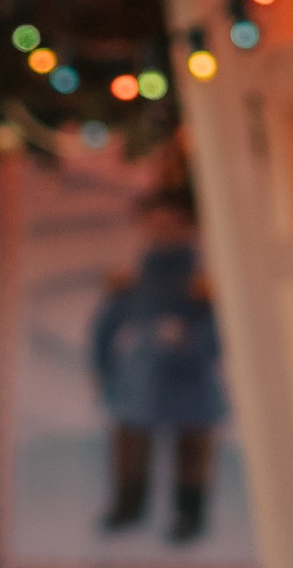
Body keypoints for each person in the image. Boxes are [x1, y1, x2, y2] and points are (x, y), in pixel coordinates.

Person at [88, 182, 226, 543]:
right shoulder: (134, 282)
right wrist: (106, 372)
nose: (162, 231)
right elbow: (104, 330)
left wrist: (194, 341)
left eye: (172, 224)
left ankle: (189, 511)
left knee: (193, 444)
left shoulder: (202, 284)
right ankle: (128, 505)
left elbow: (221, 330)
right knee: (131, 436)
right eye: (156, 224)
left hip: (190, 378)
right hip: (143, 378)